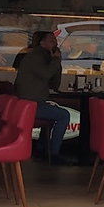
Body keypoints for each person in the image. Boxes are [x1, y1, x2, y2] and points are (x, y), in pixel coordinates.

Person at [14, 29, 74, 162]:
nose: (55, 42)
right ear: (42, 42)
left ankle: (42, 149)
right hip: (29, 104)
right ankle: (54, 153)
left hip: (34, 102)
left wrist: (57, 62)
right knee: (64, 115)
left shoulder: (45, 56)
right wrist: (56, 61)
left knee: (55, 116)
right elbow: (46, 74)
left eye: (55, 40)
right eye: (51, 40)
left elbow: (54, 84)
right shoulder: (35, 56)